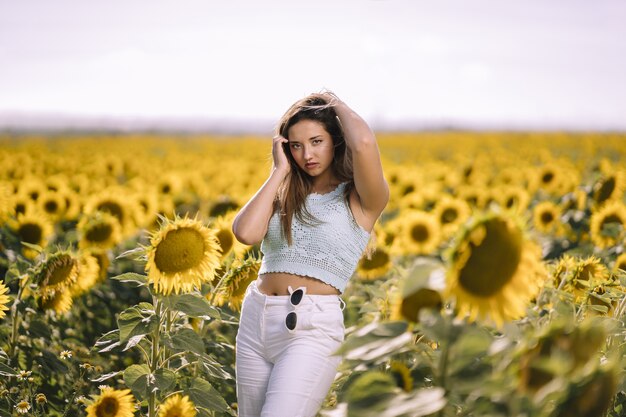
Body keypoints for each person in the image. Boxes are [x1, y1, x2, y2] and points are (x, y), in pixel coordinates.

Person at [231, 91, 389, 417]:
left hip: (312, 327)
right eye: (297, 146)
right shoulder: (285, 192)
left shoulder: (361, 199)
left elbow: (363, 145)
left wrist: (332, 101)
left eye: (317, 141)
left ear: (336, 141)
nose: (307, 155)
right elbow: (245, 233)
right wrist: (279, 172)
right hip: (255, 319)